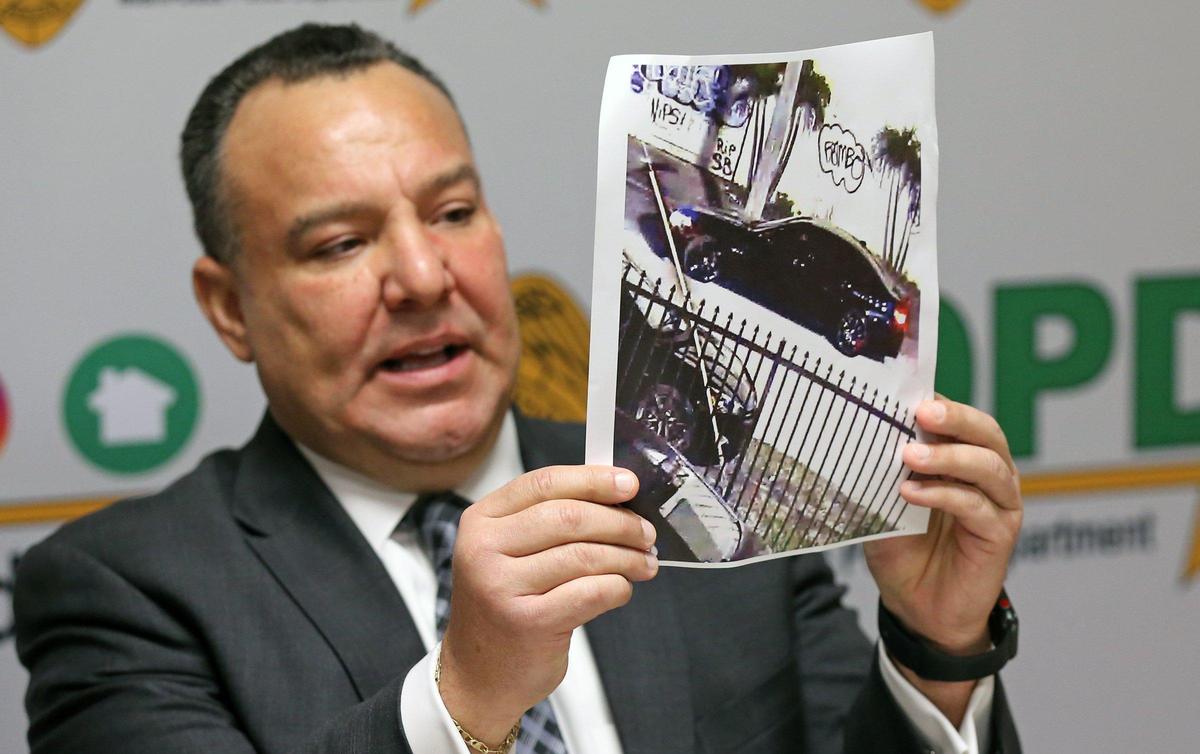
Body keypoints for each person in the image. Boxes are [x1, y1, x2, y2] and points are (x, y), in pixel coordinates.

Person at [14, 23, 1023, 754]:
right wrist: (463, 699)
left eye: (452, 212)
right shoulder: (124, 589)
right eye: (341, 242)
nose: (421, 276)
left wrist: (937, 649)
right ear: (229, 306)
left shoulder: (694, 480)